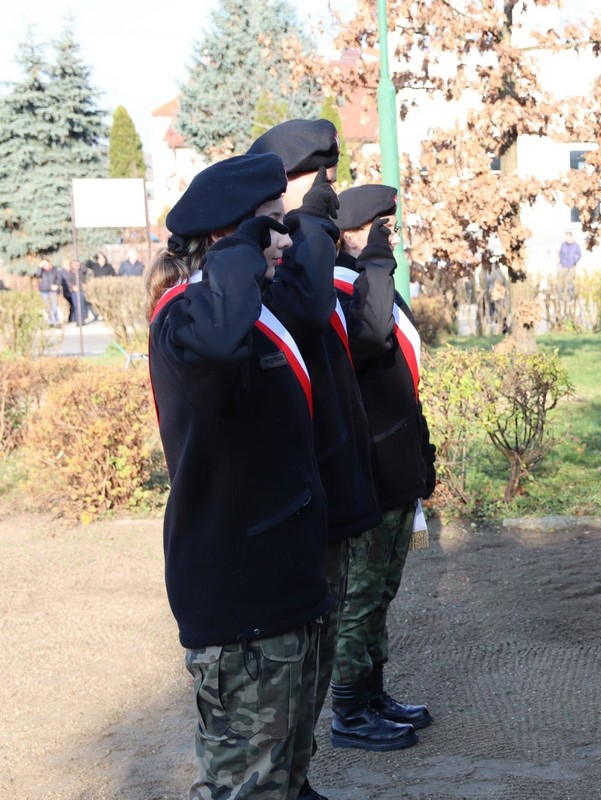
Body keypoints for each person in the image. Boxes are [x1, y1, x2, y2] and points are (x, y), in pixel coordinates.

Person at [145, 152, 333, 800]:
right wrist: (238, 247)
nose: (283, 238)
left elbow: (313, 304)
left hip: (281, 586)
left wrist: (284, 229)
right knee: (246, 788)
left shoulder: (248, 305)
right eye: (271, 224)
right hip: (240, 602)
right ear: (230, 236)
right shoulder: (188, 318)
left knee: (285, 778)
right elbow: (219, 346)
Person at [247, 119, 391, 800]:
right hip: (294, 507)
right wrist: (307, 224)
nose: (329, 193)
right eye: (316, 182)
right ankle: (288, 780)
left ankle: (298, 781)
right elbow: (305, 310)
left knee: (317, 658)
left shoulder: (305, 251)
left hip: (330, 491)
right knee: (292, 670)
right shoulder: (273, 266)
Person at [331, 184, 437, 753]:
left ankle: (372, 695)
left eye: (389, 229)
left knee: (382, 593)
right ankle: (349, 712)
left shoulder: (373, 284)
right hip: (368, 472)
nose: (389, 238)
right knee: (361, 598)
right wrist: (373, 259)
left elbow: (402, 380)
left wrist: (421, 456)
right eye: (380, 228)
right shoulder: (339, 286)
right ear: (351, 234)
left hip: (395, 468)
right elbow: (369, 338)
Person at [557, 230, 581, 304]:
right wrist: (562, 261)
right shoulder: (563, 245)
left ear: (571, 237)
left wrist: (574, 261)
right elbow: (560, 253)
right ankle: (560, 298)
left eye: (568, 237)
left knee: (570, 283)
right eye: (566, 237)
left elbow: (579, 255)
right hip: (563, 266)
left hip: (571, 266)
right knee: (561, 282)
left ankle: (571, 298)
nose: (567, 238)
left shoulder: (575, 245)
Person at [36, 259, 62, 326]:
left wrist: (56, 285)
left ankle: (56, 320)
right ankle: (51, 322)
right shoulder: (42, 271)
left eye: (46, 263)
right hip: (44, 290)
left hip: (52, 290)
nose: (45, 265)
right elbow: (38, 275)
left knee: (54, 305)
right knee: (47, 306)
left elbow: (58, 279)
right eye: (44, 264)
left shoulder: (54, 270)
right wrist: (40, 267)